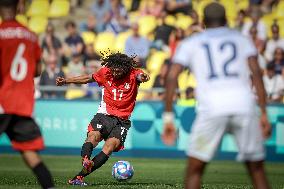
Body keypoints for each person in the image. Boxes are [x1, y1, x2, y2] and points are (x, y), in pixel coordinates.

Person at [162, 3, 271, 189]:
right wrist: (263, 112)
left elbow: (171, 76)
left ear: (203, 21)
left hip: (211, 108)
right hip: (243, 105)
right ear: (226, 20)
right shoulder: (241, 39)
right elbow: (257, 73)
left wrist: (168, 117)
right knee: (257, 170)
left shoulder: (191, 42)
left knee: (195, 170)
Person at [56, 52, 150, 186]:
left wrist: (144, 76)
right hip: (104, 115)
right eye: (114, 69)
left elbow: (141, 76)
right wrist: (66, 81)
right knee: (93, 136)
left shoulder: (133, 74)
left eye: (119, 70)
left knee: (110, 146)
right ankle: (86, 159)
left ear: (125, 68)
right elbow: (88, 78)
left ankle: (79, 177)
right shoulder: (105, 72)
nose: (116, 72)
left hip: (122, 121)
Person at [0, 0, 55, 189]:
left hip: (2, 101)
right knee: (30, 155)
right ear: (20, 6)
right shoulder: (31, 36)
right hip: (22, 105)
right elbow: (37, 71)